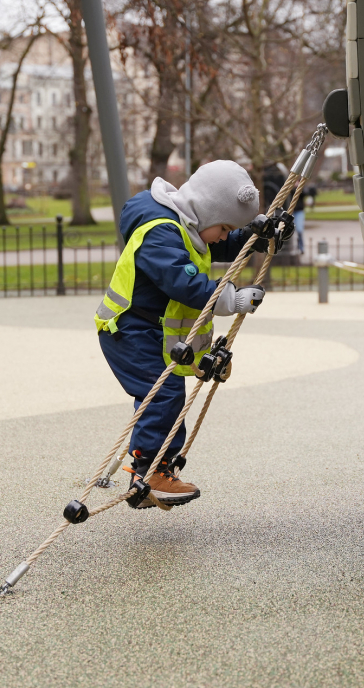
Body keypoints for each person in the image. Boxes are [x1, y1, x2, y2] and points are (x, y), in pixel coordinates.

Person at [95, 161, 267, 508]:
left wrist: (256, 235)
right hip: (128, 330)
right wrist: (229, 298)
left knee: (168, 392)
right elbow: (183, 282)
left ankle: (152, 476)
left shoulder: (188, 226)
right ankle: (149, 472)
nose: (222, 234)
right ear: (205, 212)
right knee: (162, 394)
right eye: (223, 226)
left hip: (150, 328)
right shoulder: (160, 232)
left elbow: (218, 244)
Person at [262, 163, 316, 254]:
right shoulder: (288, 187)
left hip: (298, 212)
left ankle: (301, 248)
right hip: (289, 213)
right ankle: (288, 247)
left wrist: (298, 187)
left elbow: (305, 193)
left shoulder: (300, 188)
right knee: (286, 230)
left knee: (299, 229)